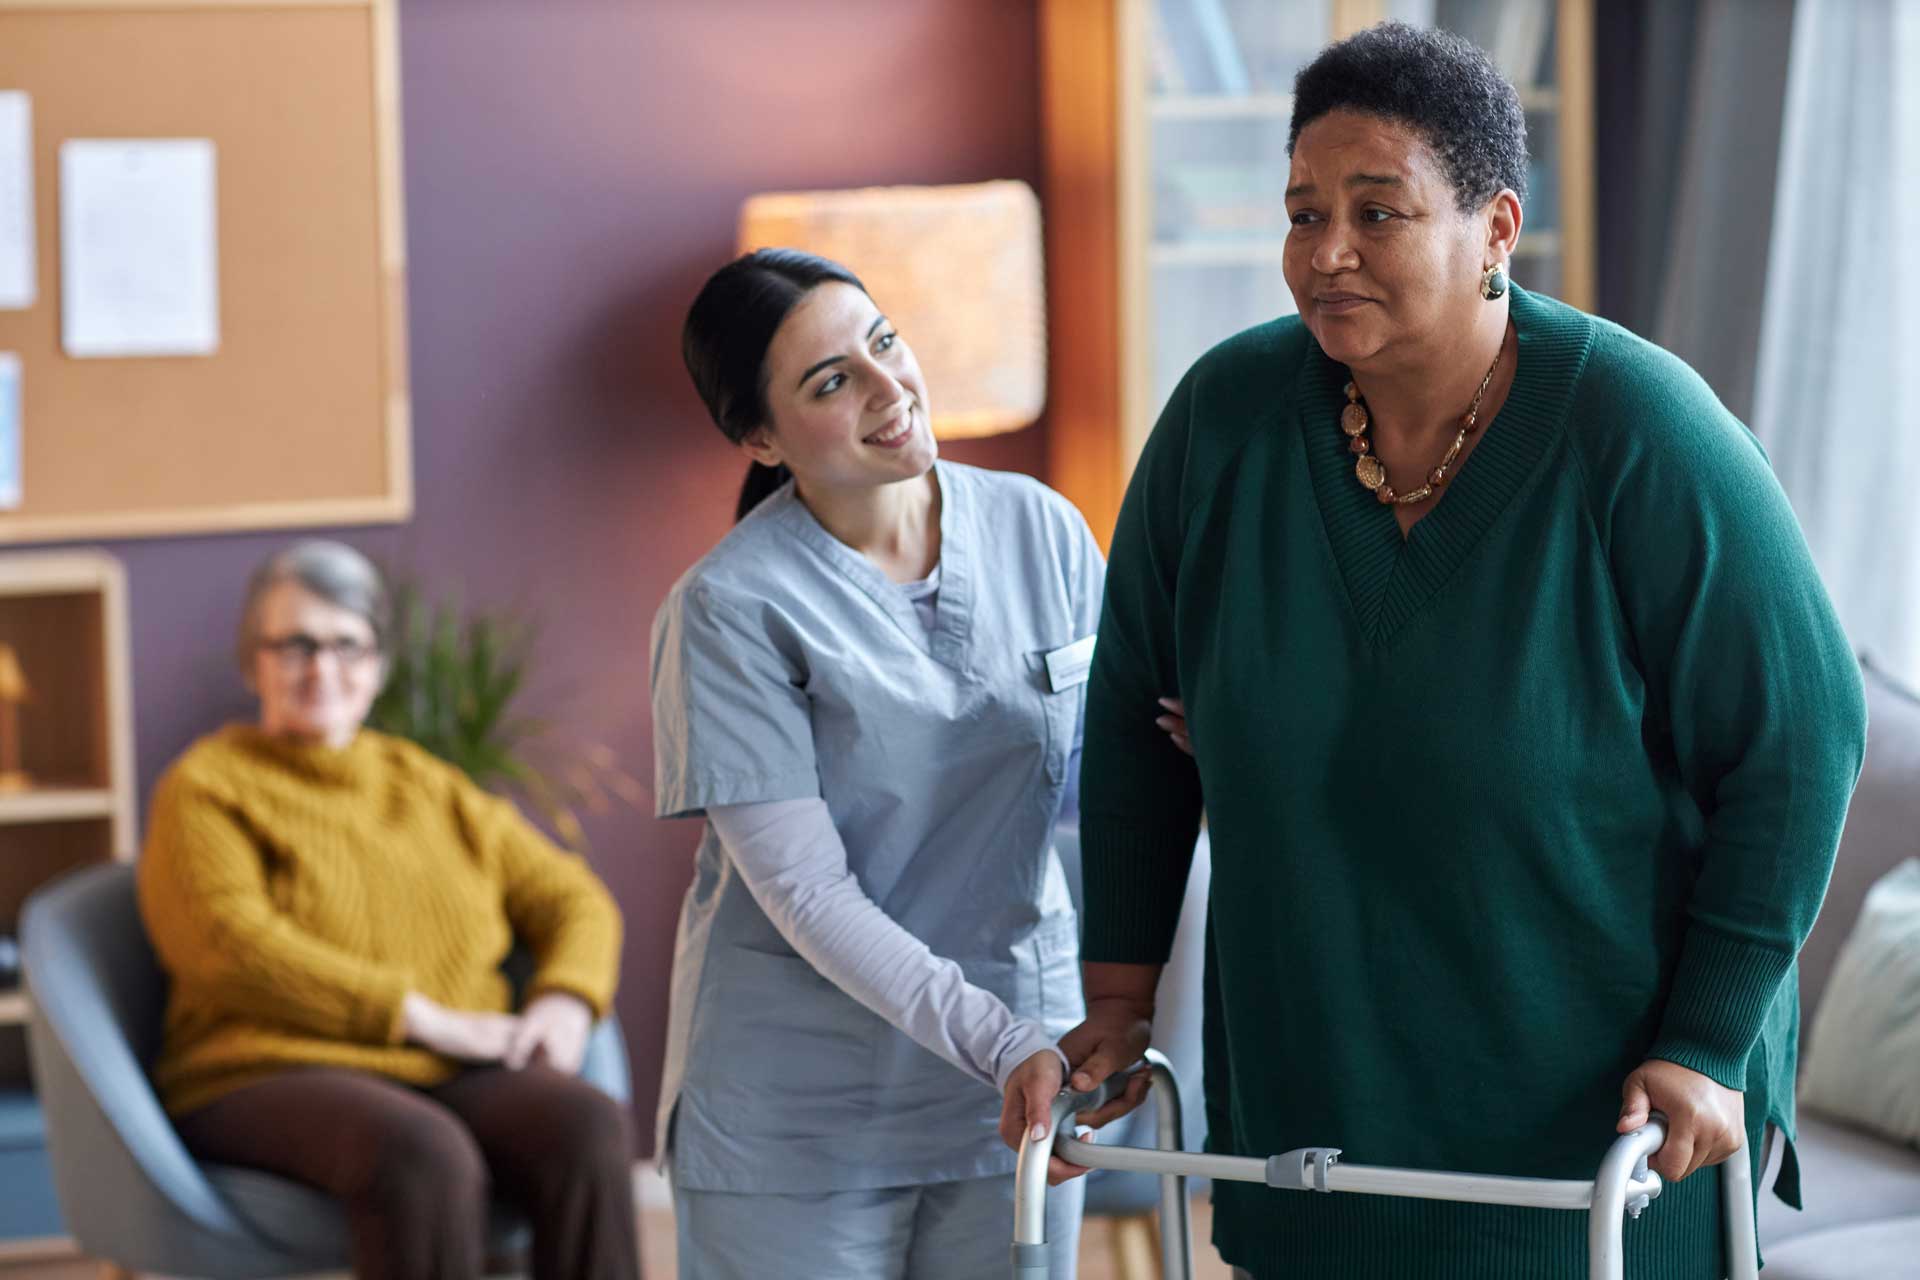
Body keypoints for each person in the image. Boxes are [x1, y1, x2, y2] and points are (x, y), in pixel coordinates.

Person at [1050, 22, 1870, 1280]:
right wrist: (1116, 1004)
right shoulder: (1223, 419)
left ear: (1495, 226)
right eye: (1303, 210)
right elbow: (1128, 728)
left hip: (1604, 1136)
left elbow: (1801, 740)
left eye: (1378, 213)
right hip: (1316, 1120)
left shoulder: (1641, 430)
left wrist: (1709, 1040)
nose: (1326, 253)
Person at [651, 248, 1127, 1278]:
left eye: (883, 343)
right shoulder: (730, 609)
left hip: (1016, 1084)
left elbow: (1113, 785)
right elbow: (810, 895)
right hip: (801, 1108)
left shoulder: (1042, 530)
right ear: (761, 437)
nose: (887, 388)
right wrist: (1003, 1039)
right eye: (831, 382)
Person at [139, 539, 636, 1280]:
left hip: (445, 1064)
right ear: (254, 660)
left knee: (585, 1124)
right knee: (420, 1151)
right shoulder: (207, 786)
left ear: (378, 664)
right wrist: (423, 1017)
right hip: (263, 1071)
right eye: (296, 644)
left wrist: (564, 1002)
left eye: (348, 644)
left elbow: (574, 898)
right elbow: (230, 945)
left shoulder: (429, 784)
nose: (322, 668)